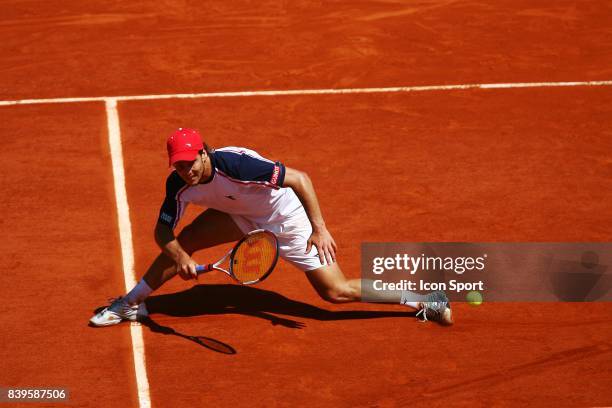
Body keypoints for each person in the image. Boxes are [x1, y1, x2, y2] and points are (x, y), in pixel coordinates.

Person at [90, 128, 453, 327]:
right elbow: (162, 233)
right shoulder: (178, 185)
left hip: (285, 216)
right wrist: (179, 256)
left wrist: (319, 228)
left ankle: (427, 299)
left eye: (190, 162)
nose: (187, 171)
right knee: (186, 240)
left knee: (335, 293)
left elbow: (300, 178)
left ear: (203, 153)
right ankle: (131, 303)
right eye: (179, 166)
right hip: (239, 214)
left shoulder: (236, 165)